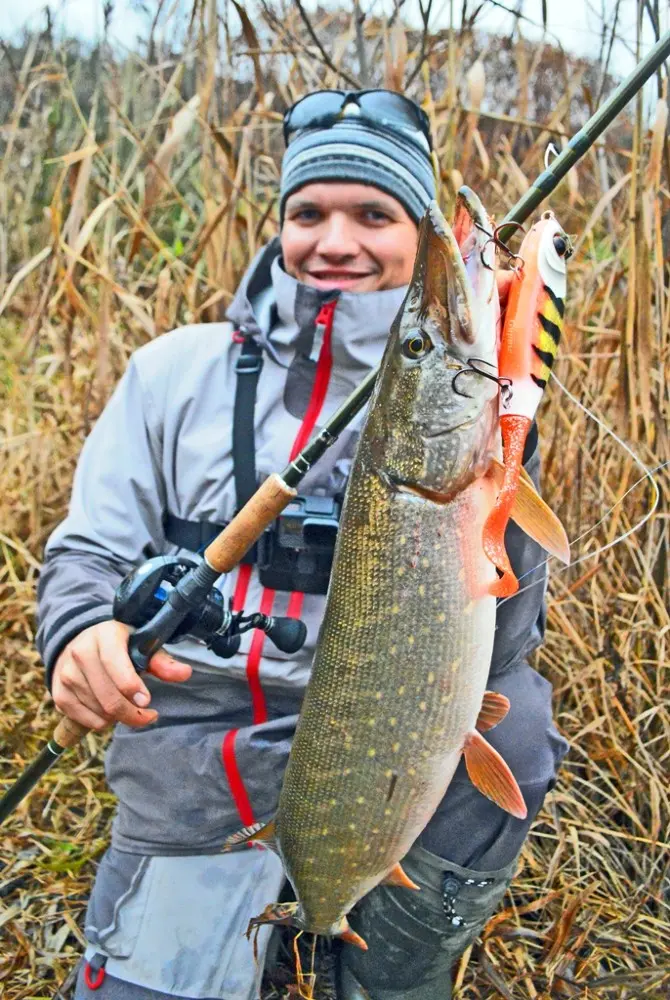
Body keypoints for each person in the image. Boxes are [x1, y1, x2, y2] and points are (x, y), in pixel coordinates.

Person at [36, 90, 568, 1000]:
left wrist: (506, 462)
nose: (336, 241)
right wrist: (82, 628)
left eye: (375, 215)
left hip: (390, 758)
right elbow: (86, 552)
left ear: (412, 231)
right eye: (307, 212)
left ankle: (385, 962)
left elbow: (504, 645)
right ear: (278, 225)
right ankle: (274, 917)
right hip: (200, 757)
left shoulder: (468, 399)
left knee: (514, 720)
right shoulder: (172, 374)